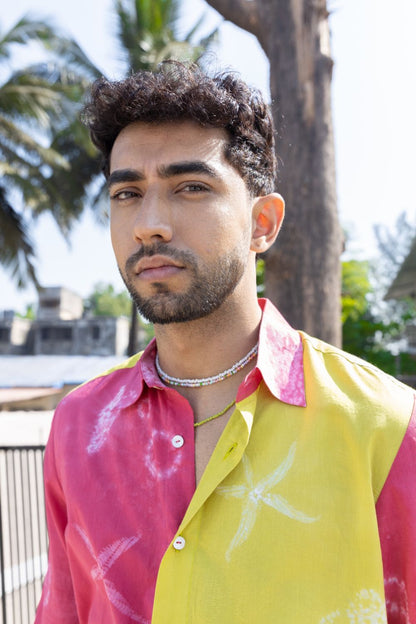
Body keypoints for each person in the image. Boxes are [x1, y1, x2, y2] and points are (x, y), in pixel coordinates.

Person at [35, 62, 415, 624]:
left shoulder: (385, 424)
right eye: (127, 193)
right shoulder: (78, 425)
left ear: (263, 223)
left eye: (191, 187)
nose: (148, 224)